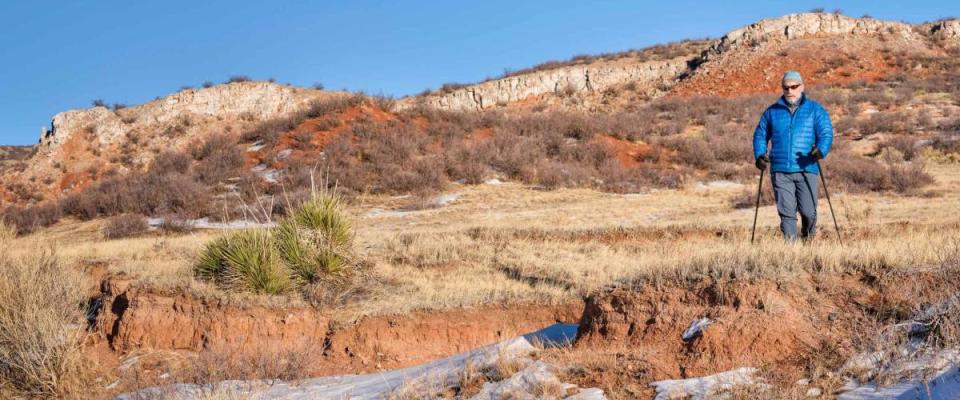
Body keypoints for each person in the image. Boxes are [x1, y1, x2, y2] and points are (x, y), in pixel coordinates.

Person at [753, 71, 834, 242]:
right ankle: (792, 250)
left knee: (809, 211)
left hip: (807, 167)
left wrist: (821, 150)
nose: (790, 91)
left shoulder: (815, 109)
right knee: (787, 213)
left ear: (802, 87)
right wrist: (760, 154)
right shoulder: (772, 112)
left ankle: (808, 239)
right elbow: (760, 134)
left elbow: (826, 132)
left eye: (794, 87)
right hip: (780, 170)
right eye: (786, 87)